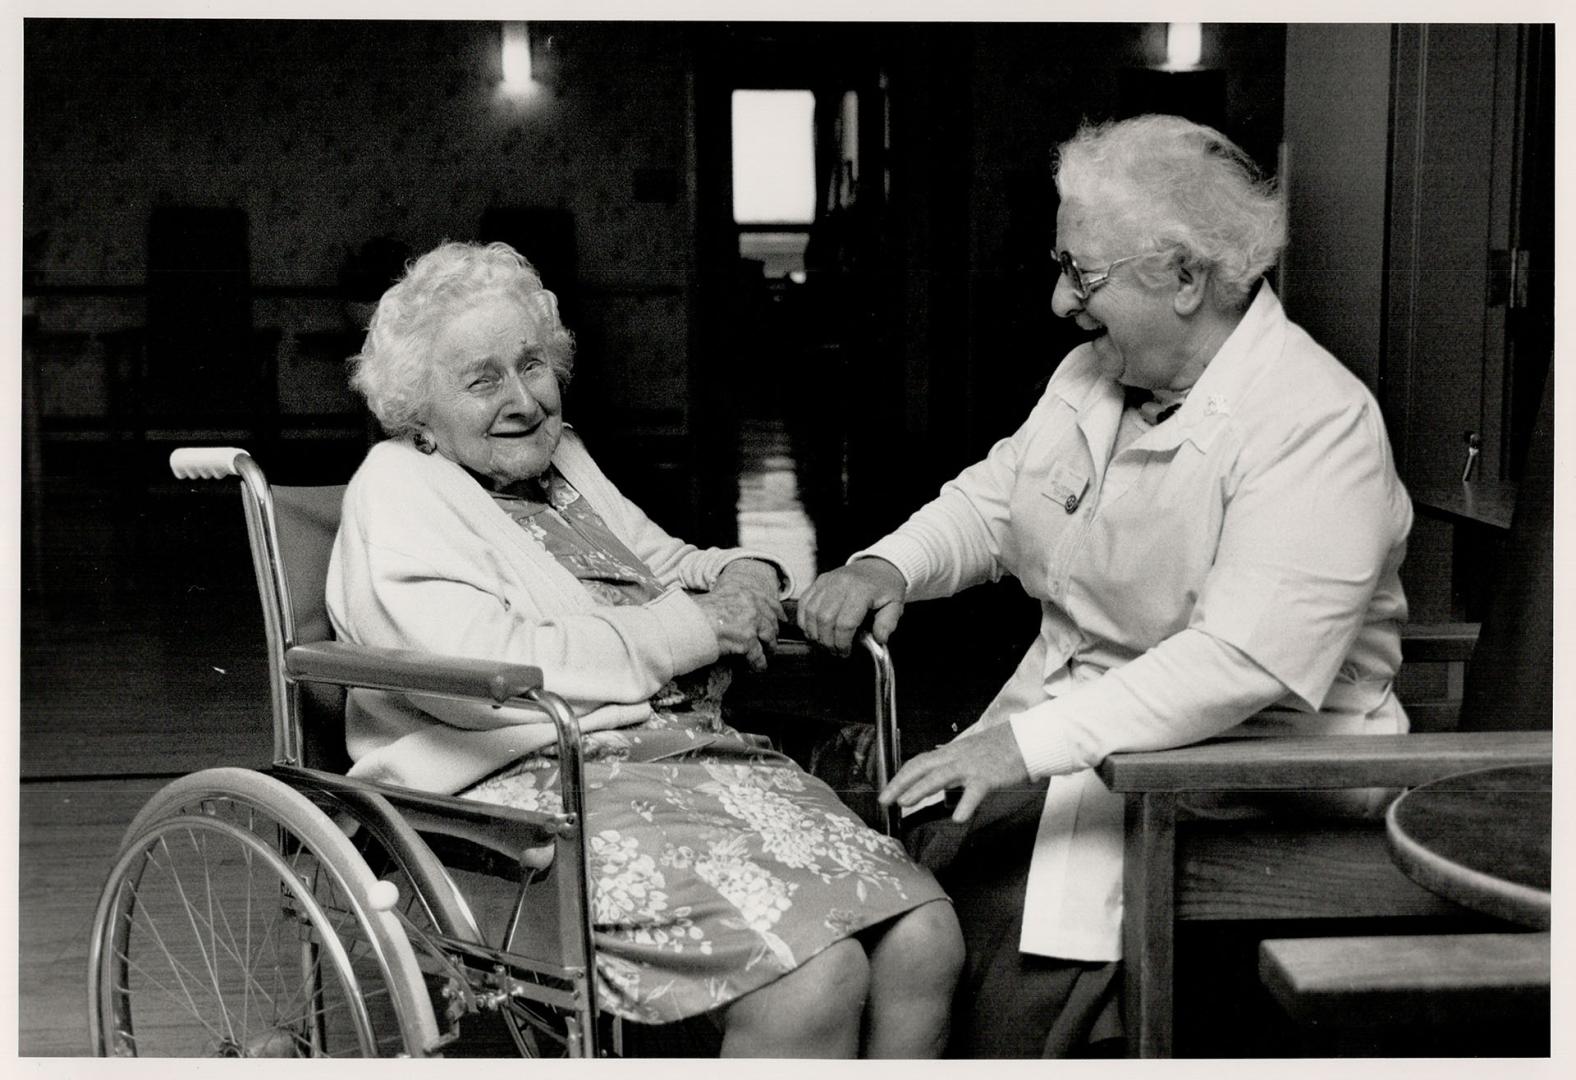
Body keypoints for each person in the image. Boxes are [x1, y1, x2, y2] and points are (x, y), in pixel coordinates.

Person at [798, 114, 1413, 1057]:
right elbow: (1001, 500)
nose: (1058, 301)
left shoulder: (1313, 422)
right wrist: (891, 563)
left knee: (974, 951)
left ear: (1185, 276)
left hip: (1237, 775)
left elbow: (1238, 661)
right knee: (889, 885)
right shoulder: (1096, 373)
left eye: (1083, 275)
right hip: (1077, 742)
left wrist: (1024, 746)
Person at [326, 240, 962, 1058]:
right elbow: (478, 668)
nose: (522, 399)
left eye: (533, 366)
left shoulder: (563, 464)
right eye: (482, 380)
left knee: (924, 938)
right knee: (816, 977)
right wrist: (697, 629)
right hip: (527, 785)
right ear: (419, 409)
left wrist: (741, 572)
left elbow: (660, 564)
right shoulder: (397, 488)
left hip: (686, 759)